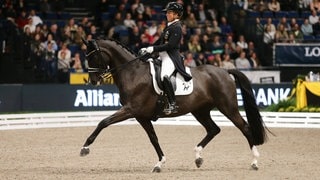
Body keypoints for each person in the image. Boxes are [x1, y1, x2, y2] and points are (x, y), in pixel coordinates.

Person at [139, 2, 192, 114]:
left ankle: (173, 103)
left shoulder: (177, 27)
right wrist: (149, 48)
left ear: (177, 15)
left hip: (171, 57)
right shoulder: (169, 26)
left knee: (164, 76)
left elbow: (171, 45)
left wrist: (154, 49)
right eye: (167, 12)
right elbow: (160, 41)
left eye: (170, 12)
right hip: (162, 56)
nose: (167, 14)